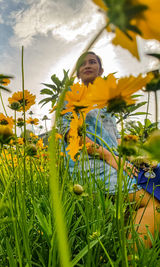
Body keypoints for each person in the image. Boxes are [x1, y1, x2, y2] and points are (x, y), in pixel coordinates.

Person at [61, 51, 160, 249]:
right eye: (83, 63)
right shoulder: (69, 97)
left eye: (93, 62)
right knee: (153, 203)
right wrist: (109, 156)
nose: (87, 65)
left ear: (101, 70)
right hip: (87, 163)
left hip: (112, 160)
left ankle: (118, 245)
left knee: (156, 175)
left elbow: (114, 141)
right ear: (77, 73)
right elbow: (73, 136)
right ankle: (132, 259)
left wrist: (135, 156)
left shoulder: (107, 103)